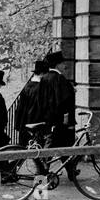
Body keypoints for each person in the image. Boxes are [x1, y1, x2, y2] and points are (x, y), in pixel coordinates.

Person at [39, 49, 78, 177]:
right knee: (59, 148)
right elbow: (65, 101)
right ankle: (41, 178)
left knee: (61, 148)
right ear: (57, 65)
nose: (64, 65)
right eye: (62, 63)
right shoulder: (60, 79)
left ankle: (71, 172)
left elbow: (42, 101)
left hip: (48, 120)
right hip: (60, 121)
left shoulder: (44, 79)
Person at [13, 58, 49, 148]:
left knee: (22, 152)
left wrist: (18, 125)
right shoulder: (41, 88)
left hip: (23, 125)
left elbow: (20, 107)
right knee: (38, 152)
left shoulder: (27, 87)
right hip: (35, 126)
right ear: (42, 74)